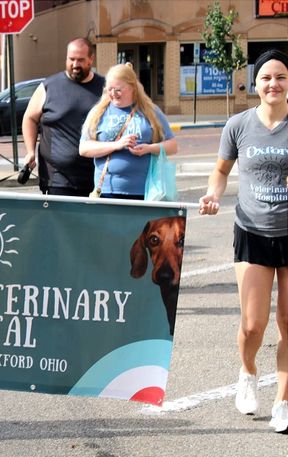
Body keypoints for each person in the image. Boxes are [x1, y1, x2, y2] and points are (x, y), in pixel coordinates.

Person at [198, 49, 288, 433]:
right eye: (266, 77)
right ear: (255, 83)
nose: (274, 83)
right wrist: (214, 195)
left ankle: (283, 400)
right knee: (253, 325)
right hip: (251, 230)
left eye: (281, 76)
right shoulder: (238, 125)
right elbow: (220, 172)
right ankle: (248, 372)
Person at [79, 63, 177, 199]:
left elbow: (172, 146)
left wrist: (149, 148)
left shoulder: (151, 111)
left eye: (118, 89)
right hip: (108, 191)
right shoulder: (99, 112)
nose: (113, 94)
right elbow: (84, 148)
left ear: (132, 88)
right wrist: (116, 145)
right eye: (109, 89)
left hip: (146, 191)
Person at [21, 37, 105, 196]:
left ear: (91, 59)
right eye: (71, 59)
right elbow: (29, 118)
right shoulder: (49, 86)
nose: (75, 65)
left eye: (80, 60)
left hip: (97, 176)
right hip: (57, 179)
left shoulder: (106, 88)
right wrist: (30, 151)